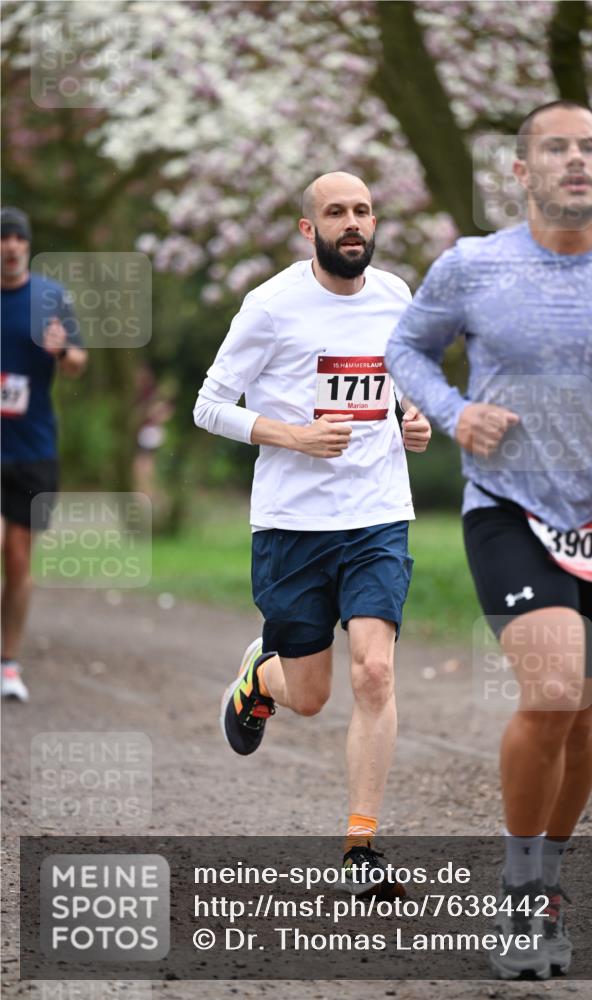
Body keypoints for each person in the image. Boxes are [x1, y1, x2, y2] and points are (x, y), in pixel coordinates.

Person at [386, 101, 592, 979]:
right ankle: (516, 895)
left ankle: (545, 884)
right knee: (549, 692)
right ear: (520, 171)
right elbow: (405, 349)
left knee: (581, 717)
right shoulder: (472, 265)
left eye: (590, 148)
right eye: (557, 148)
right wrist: (452, 410)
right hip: (505, 504)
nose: (576, 160)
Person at [194, 172, 431, 891]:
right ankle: (257, 680)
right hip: (294, 523)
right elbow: (208, 407)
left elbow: (403, 383)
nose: (351, 223)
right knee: (311, 694)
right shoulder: (269, 306)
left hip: (377, 515)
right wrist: (291, 435)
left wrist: (410, 418)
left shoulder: (396, 296)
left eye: (361, 210)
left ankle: (360, 850)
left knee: (375, 669)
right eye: (335, 213)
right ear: (309, 229)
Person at [1, 207, 87, 701]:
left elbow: (78, 362)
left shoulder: (49, 297)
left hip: (33, 447)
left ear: (27, 245)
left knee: (17, 559)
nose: (11, 246)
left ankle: (8, 663)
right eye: (3, 238)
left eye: (18, 238)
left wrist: (61, 350)